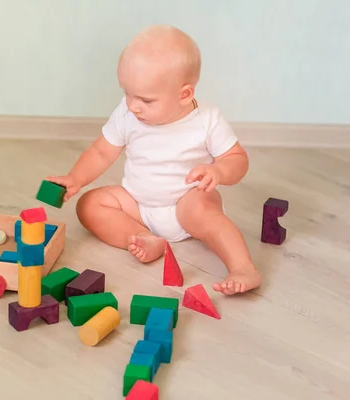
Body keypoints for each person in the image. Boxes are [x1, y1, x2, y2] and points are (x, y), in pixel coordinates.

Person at [46, 25, 261, 295]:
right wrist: (75, 178)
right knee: (90, 204)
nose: (133, 105)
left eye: (145, 99)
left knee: (205, 212)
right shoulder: (127, 113)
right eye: (127, 93)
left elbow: (237, 159)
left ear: (185, 94)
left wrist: (218, 170)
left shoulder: (207, 120)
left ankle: (242, 267)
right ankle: (144, 237)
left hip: (186, 203)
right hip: (137, 204)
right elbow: (102, 151)